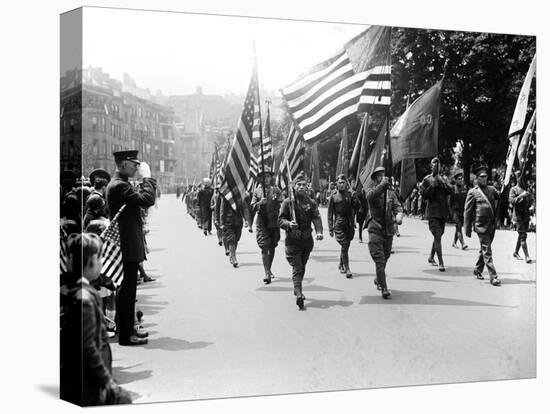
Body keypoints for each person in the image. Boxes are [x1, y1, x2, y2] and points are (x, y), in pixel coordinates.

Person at [60, 233, 132, 406]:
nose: (102, 263)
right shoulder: (84, 298)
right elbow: (88, 348)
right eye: (100, 258)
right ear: (91, 261)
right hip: (87, 380)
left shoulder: (76, 290)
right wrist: (108, 383)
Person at [105, 150, 156, 346]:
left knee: (128, 291)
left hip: (128, 242)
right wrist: (148, 178)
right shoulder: (118, 186)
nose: (136, 166)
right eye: (134, 163)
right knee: (127, 292)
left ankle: (128, 329)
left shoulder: (121, 184)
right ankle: (126, 336)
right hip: (126, 244)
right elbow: (147, 200)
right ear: (124, 163)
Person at [279, 172, 323, 310]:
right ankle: (299, 293)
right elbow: (280, 220)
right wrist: (288, 224)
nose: (302, 187)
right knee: (297, 267)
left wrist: (319, 232)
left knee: (302, 266)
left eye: (304, 185)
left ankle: (297, 286)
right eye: (299, 185)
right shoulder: (288, 202)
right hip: (293, 241)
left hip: (306, 240)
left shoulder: (311, 202)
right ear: (294, 187)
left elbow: (316, 217)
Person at [365, 167, 403, 299]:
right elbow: (370, 197)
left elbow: (397, 206)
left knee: (386, 256)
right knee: (379, 259)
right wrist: (381, 186)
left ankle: (378, 278)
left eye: (384, 175)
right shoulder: (371, 190)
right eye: (380, 175)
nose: (383, 177)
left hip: (388, 229)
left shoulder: (391, 193)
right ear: (375, 178)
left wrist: (399, 215)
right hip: (375, 227)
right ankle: (384, 288)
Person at [464, 165, 501, 286]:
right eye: (481, 177)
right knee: (487, 251)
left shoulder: (491, 189)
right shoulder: (473, 192)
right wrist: (467, 229)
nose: (484, 179)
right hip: (481, 226)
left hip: (492, 224)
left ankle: (478, 269)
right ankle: (493, 276)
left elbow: (500, 196)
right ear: (477, 178)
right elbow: (468, 211)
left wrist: (504, 184)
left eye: (485, 177)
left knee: (485, 249)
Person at [419, 157, 454, 271]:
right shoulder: (427, 179)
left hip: (442, 212)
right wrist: (432, 186)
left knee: (440, 234)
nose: (436, 167)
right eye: (434, 165)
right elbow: (423, 195)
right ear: (431, 166)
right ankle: (441, 262)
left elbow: (451, 190)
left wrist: (443, 183)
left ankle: (431, 256)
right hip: (433, 211)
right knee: (437, 236)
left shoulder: (444, 178)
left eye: (438, 165)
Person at [251, 169, 283, 284]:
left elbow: (282, 202)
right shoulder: (257, 191)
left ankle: (269, 268)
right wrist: (260, 203)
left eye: (268, 177)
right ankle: (267, 273)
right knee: (264, 246)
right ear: (260, 179)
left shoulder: (276, 190)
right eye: (264, 177)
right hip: (262, 222)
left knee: (272, 246)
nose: (267, 179)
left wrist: (280, 201)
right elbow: (252, 206)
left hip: (274, 222)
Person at [327, 174, 358, 278]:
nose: (341, 185)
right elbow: (330, 213)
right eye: (339, 182)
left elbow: (357, 207)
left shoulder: (350, 194)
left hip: (349, 223)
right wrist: (330, 228)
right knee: (344, 245)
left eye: (343, 183)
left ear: (346, 184)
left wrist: (355, 198)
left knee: (346, 246)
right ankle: (347, 268)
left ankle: (341, 263)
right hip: (339, 223)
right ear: (337, 184)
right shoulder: (333, 196)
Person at [509, 172, 535, 263]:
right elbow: (512, 201)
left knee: (523, 235)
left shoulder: (526, 190)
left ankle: (516, 252)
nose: (521, 179)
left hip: (526, 216)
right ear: (516, 178)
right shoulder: (513, 189)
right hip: (518, 216)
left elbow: (532, 200)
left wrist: (532, 206)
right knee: (522, 236)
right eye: (519, 177)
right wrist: (521, 196)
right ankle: (527, 256)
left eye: (522, 177)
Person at [215, 193, 245, 268]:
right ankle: (234, 258)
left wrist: (246, 219)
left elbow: (244, 207)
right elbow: (220, 209)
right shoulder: (224, 194)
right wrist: (220, 221)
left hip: (238, 221)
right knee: (231, 239)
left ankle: (232, 253)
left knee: (236, 239)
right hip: (228, 221)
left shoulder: (239, 193)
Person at [450, 171, 468, 250]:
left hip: (462, 211)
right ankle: (463, 243)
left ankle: (454, 242)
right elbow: (449, 201)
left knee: (458, 227)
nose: (461, 180)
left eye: (461, 178)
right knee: (459, 226)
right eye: (459, 179)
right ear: (455, 180)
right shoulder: (453, 188)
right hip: (455, 211)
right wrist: (450, 212)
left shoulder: (465, 188)